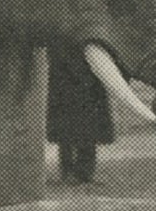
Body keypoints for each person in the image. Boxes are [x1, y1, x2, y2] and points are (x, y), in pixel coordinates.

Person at [47, 45, 114, 185]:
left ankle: (84, 172)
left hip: (89, 75)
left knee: (88, 124)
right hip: (65, 75)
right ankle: (69, 170)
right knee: (68, 125)